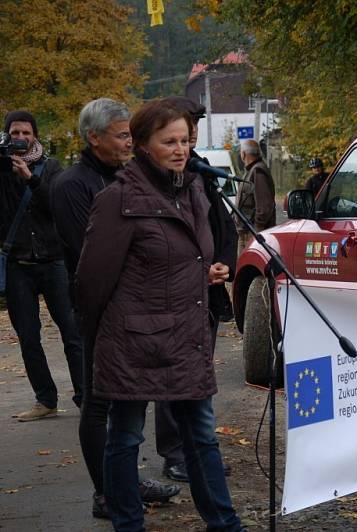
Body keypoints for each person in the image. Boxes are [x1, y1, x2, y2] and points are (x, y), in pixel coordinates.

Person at [75, 100, 243, 531]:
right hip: (134, 341)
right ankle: (128, 524)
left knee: (202, 437)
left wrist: (207, 270)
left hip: (186, 337)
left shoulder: (194, 191)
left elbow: (177, 258)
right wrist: (100, 341)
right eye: (169, 141)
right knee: (126, 437)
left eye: (185, 140)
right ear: (143, 145)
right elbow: (92, 280)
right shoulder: (118, 199)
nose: (180, 149)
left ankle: (224, 524)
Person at [50, 98, 180, 519]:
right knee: (99, 400)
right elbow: (87, 253)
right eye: (123, 135)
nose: (131, 142)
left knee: (130, 398)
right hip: (97, 307)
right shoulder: (73, 185)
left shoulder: (125, 176)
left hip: (134, 306)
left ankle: (125, 480)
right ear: (94, 137)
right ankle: (105, 492)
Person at [159, 95, 238, 481]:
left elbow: (224, 227)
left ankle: (200, 449)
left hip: (206, 293)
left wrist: (225, 263)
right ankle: (174, 452)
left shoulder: (202, 173)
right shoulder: (155, 180)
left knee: (200, 373)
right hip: (171, 299)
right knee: (172, 376)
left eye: (194, 127)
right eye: (185, 126)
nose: (190, 134)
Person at [0, 111, 83, 422]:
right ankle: (45, 399)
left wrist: (30, 178)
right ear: (7, 135)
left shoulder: (52, 167)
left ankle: (84, 397)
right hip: (19, 264)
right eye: (15, 133)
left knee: (72, 333)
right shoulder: (1, 166)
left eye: (26, 133)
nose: (20, 138)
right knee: (29, 337)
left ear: (35, 135)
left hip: (54, 261)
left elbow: (57, 205)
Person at [236, 139, 276, 256]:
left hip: (253, 233)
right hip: (247, 231)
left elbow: (264, 207)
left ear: (243, 154)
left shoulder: (258, 171)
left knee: (249, 269)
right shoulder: (252, 170)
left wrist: (257, 231)